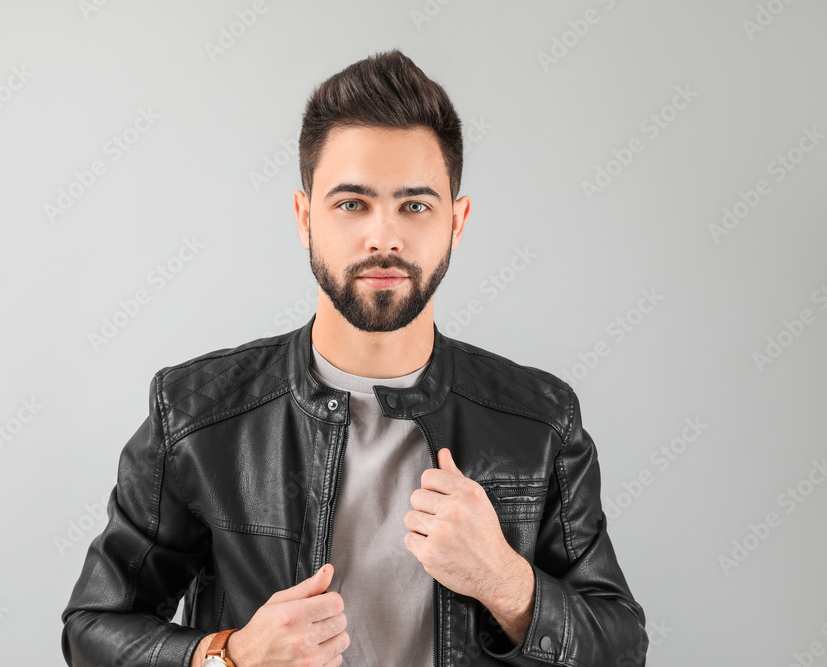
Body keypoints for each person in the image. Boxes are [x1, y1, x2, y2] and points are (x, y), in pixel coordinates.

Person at [61, 48, 648, 667]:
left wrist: (506, 581)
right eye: (351, 203)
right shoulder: (195, 415)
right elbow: (94, 629)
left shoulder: (540, 420)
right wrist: (230, 657)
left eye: (415, 206)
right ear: (303, 217)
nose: (384, 237)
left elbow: (621, 646)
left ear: (457, 221)